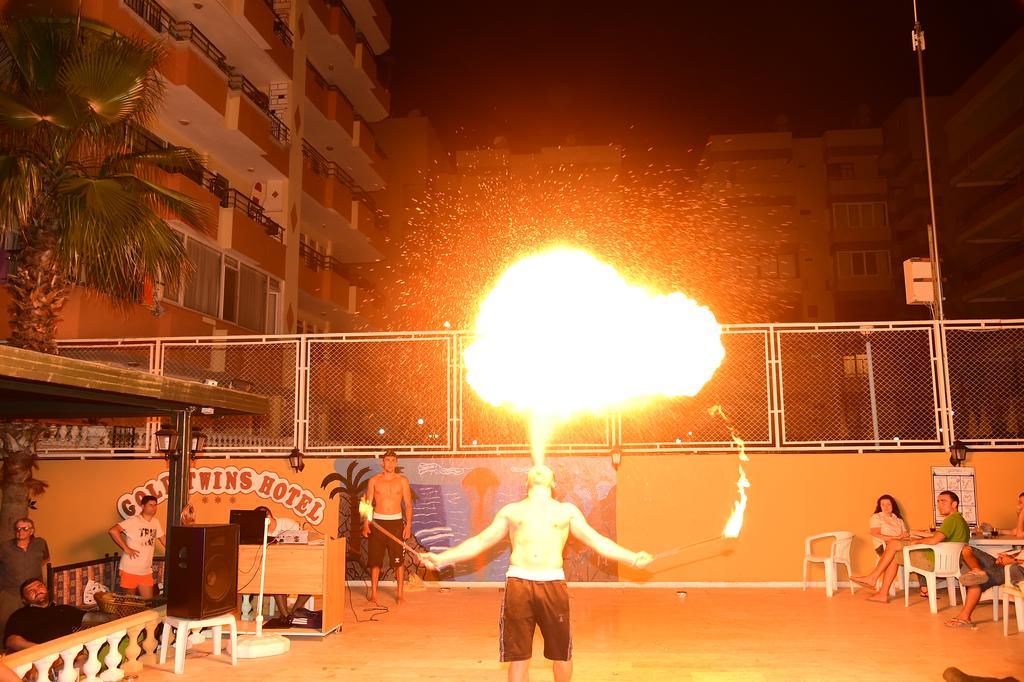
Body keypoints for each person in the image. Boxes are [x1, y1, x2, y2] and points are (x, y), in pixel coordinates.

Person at [419, 464, 653, 682]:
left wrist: (631, 558)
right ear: (527, 482)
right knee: (519, 656)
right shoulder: (512, 511)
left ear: (554, 484)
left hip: (553, 584)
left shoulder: (566, 511)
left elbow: (597, 541)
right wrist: (442, 558)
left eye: (545, 468)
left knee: (562, 654)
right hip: (519, 584)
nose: (540, 468)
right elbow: (481, 541)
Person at [873, 490, 970, 603]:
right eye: (938, 502)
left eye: (943, 502)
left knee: (894, 547)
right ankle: (878, 585)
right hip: (952, 563)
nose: (939, 505)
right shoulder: (961, 521)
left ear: (954, 504)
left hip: (933, 561)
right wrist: (918, 536)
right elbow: (940, 537)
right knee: (896, 548)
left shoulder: (951, 520)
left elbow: (934, 540)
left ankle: (877, 585)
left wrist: (917, 541)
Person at [4, 579, 114, 651]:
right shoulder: (19, 615)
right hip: (38, 660)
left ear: (47, 589)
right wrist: (40, 650)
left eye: (39, 586)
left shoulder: (63, 609)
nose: (36, 590)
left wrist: (117, 615)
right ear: (24, 600)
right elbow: (11, 641)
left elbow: (92, 618)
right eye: (30, 591)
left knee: (84, 662)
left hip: (70, 656)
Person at [362, 451, 413, 605]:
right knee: (375, 561)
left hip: (396, 524)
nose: (390, 463)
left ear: (396, 463)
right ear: (382, 463)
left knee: (398, 562)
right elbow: (367, 503)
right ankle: (374, 595)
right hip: (378, 524)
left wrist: (408, 525)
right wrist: (366, 523)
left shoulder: (402, 481)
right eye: (387, 460)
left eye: (393, 460)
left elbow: (408, 505)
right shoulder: (374, 481)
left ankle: (400, 595)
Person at [852, 494, 909, 599]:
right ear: (880, 506)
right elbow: (875, 534)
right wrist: (896, 537)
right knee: (894, 556)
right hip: (883, 545)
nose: (886, 507)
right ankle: (882, 591)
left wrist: (905, 535)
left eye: (888, 504)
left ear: (893, 505)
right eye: (883, 505)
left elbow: (905, 535)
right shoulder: (876, 517)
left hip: (899, 545)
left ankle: (875, 583)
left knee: (896, 552)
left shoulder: (899, 520)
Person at [0, 518, 49, 640]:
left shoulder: (40, 543)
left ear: (31, 531)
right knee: (6, 625)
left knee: (36, 622)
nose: (20, 531)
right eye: (17, 528)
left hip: (35, 592)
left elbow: (44, 558)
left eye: (24, 528)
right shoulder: (4, 548)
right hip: (11, 593)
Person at [108, 495, 165, 599]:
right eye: (150, 505)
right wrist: (126, 548)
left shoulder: (155, 522)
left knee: (148, 602)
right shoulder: (134, 521)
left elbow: (163, 540)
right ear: (143, 506)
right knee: (129, 603)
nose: (153, 508)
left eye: (155, 505)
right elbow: (113, 531)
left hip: (146, 571)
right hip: (130, 569)